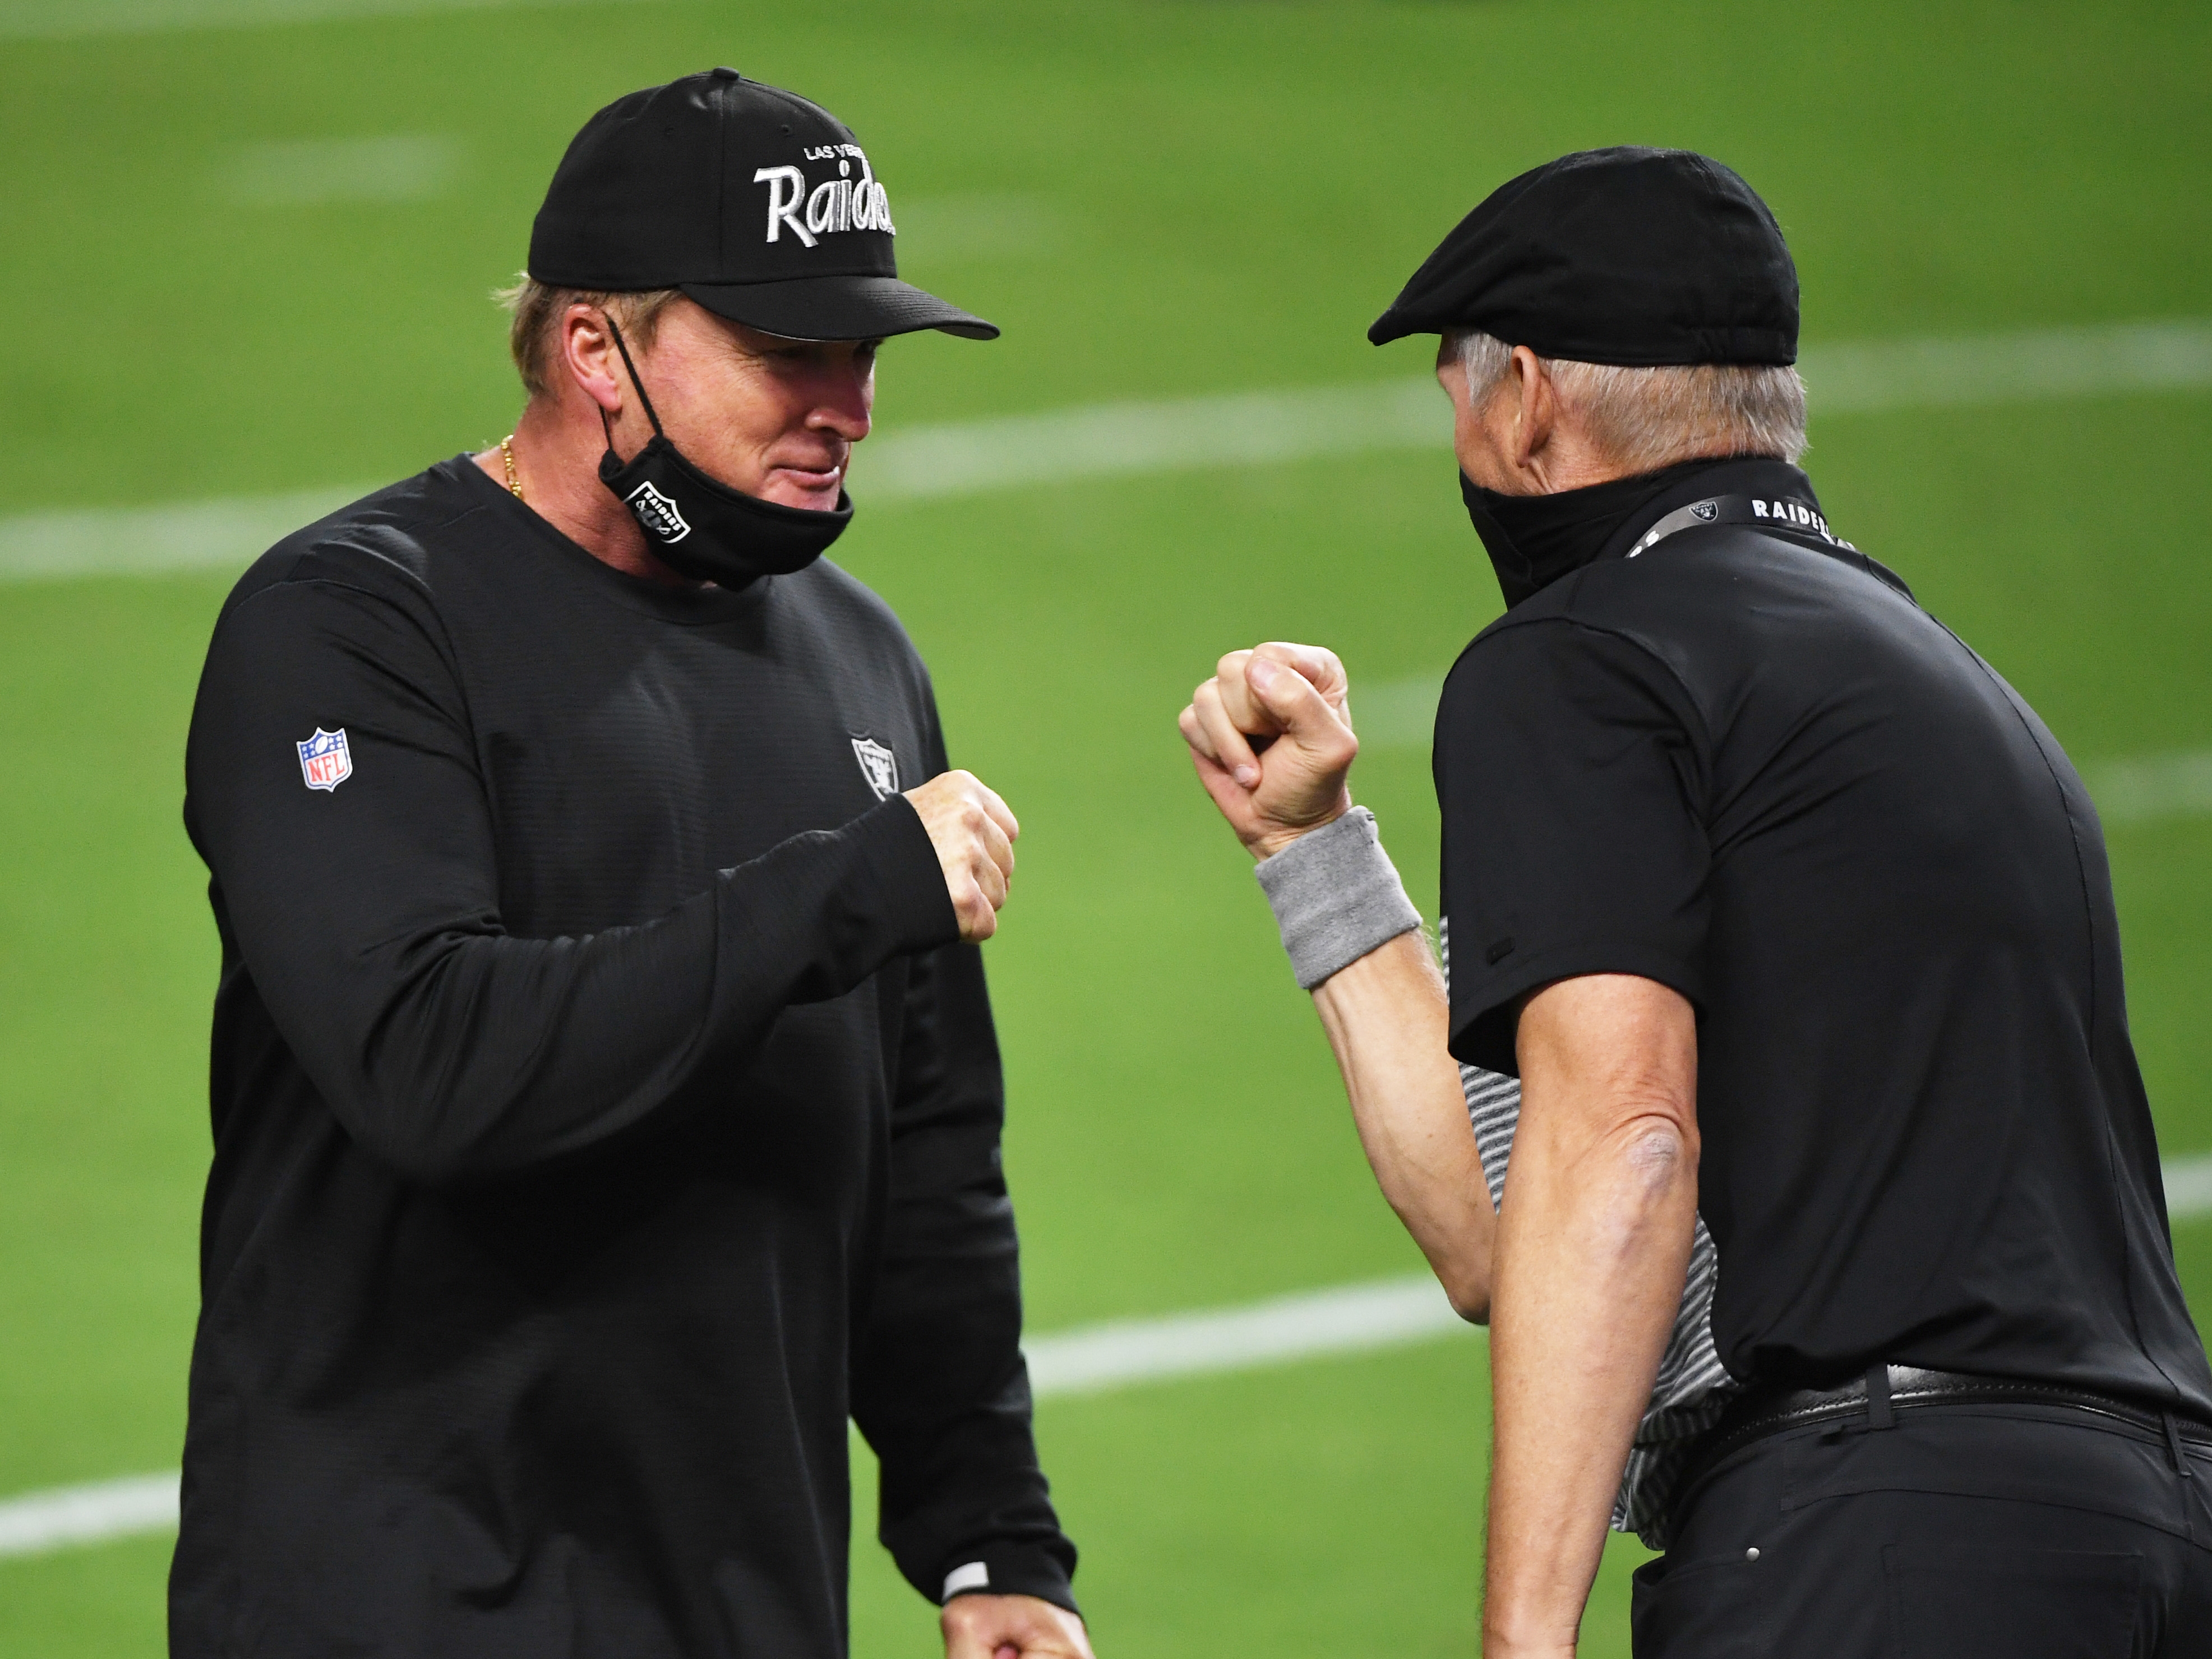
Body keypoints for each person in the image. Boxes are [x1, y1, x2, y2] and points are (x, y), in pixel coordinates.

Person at [1180, 147, 2212, 1656]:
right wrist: (1314, 855)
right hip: (2147, 1536)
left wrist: (1521, 1641)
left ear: (1523, 394)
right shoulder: (1940, 680)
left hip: (1872, 1541)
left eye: (1455, 402)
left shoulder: (1588, 658)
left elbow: (1622, 1141)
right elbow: (1501, 1231)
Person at [175, 70, 1093, 1659]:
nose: (849, 408)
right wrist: (843, 888)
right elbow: (426, 1060)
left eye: (864, 355)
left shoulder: (859, 659)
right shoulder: (354, 627)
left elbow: (926, 1153)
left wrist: (987, 1539)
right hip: (394, 1598)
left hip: (743, 1605)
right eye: (788, 352)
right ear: (596, 347)